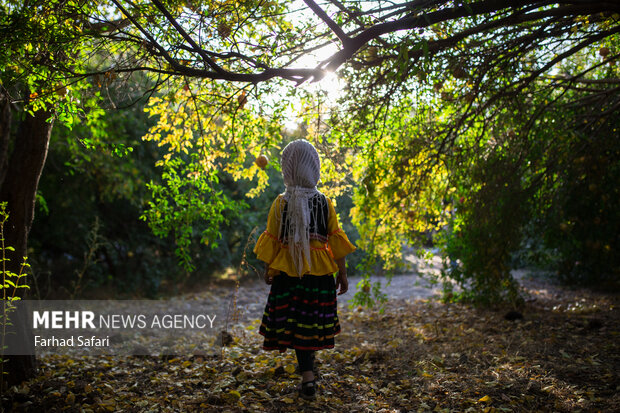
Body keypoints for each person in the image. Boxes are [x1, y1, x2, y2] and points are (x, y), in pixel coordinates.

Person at [253, 139, 356, 399]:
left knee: (298, 326)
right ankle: (308, 374)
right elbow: (335, 238)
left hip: (289, 274)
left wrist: (269, 269)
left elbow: (274, 240)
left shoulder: (280, 203)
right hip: (319, 274)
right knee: (309, 325)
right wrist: (342, 273)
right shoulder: (324, 202)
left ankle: (308, 374)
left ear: (287, 168)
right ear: (314, 166)